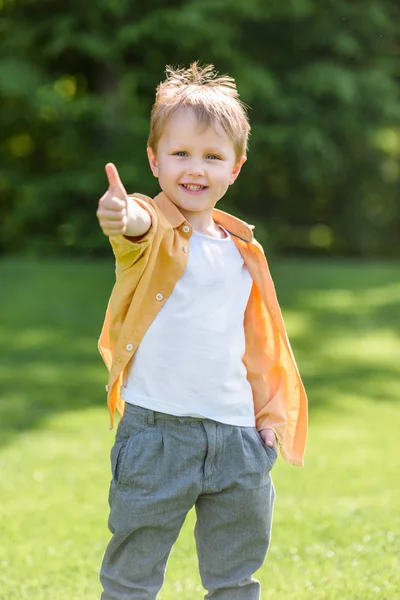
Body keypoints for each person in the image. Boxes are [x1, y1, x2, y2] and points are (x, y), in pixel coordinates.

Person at [96, 62, 308, 600]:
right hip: (158, 437)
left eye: (212, 156)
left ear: (235, 168)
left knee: (236, 581)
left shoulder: (242, 252)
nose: (195, 168)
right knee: (131, 579)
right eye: (181, 153)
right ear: (155, 159)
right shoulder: (155, 233)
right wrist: (123, 216)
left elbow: (256, 348)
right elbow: (140, 224)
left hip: (237, 441)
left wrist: (265, 419)